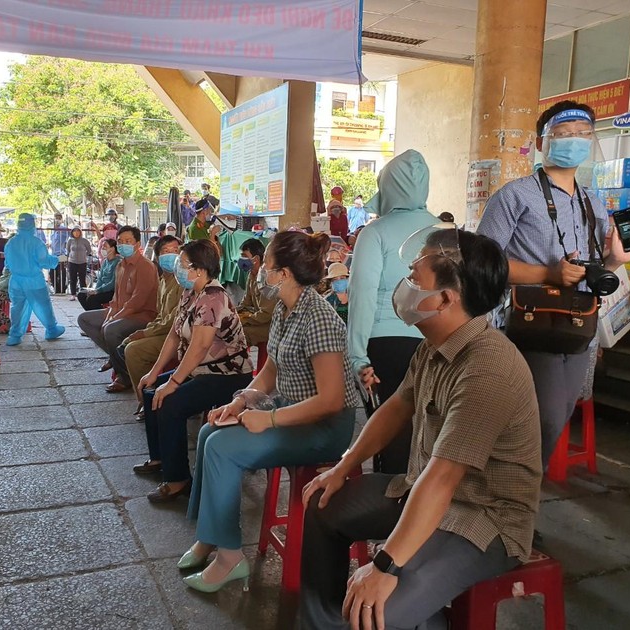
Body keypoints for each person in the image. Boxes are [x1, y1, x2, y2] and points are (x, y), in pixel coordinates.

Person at [299, 228, 542, 630]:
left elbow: (444, 478)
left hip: (483, 519)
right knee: (323, 505)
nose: (405, 285)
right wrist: (343, 467)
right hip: (421, 489)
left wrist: (385, 563)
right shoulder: (432, 345)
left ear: (446, 298)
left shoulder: (488, 367)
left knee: (375, 613)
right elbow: (395, 409)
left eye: (415, 278)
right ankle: (321, 622)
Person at [180, 230, 359, 593]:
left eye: (269, 266)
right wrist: (242, 400)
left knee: (224, 449)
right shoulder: (285, 308)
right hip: (290, 408)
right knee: (209, 432)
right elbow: (271, 371)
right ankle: (209, 536)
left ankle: (230, 557)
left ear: (285, 274)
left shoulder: (319, 317)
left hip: (323, 426)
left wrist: (268, 419)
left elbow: (331, 401)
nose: (262, 271)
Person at [477, 100, 630, 466]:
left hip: (580, 324)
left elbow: (592, 271)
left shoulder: (593, 202)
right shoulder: (514, 195)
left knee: (561, 413)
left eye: (583, 134)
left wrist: (614, 260)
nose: (574, 141)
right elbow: (481, 261)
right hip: (530, 323)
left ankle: (517, 495)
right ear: (541, 142)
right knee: (542, 418)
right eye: (563, 135)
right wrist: (547, 274)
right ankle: (502, 492)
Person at [136, 239, 253, 504]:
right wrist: (155, 373)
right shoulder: (190, 293)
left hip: (226, 374)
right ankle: (160, 458)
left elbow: (200, 345)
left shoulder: (214, 296)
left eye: (182, 264)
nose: (177, 268)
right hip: (201, 368)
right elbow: (175, 336)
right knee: (151, 390)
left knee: (170, 402)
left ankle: (178, 479)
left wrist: (174, 381)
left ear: (199, 270)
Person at [348, 149, 438, 474]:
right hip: (436, 345)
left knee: (390, 439)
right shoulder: (445, 231)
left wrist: (357, 356)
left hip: (384, 347)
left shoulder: (375, 232)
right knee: (429, 437)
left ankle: (390, 514)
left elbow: (362, 297)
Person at [77, 226, 158, 386]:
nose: (123, 245)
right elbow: (115, 299)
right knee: (84, 319)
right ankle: (116, 358)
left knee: (111, 329)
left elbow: (137, 302)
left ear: (136, 244)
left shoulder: (145, 266)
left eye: (128, 241)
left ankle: (124, 375)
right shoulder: (120, 266)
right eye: (120, 241)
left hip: (142, 315)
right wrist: (110, 316)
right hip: (121, 310)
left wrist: (113, 318)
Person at [121, 235, 183, 403]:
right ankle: (148, 393)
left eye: (175, 251)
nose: (171, 255)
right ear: (158, 256)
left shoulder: (183, 281)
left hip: (179, 335)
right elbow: (161, 315)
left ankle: (145, 399)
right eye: (166, 251)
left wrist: (146, 333)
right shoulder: (163, 280)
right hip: (164, 331)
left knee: (134, 350)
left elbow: (174, 319)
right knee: (126, 342)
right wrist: (147, 330)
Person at [3, 213, 66, 345]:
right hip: (34, 281)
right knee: (43, 306)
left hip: (16, 282)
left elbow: (7, 264)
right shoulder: (36, 242)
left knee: (17, 308)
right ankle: (51, 329)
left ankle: (14, 336)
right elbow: (44, 261)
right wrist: (56, 259)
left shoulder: (11, 242)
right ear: (32, 224)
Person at [235, 238, 277, 348]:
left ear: (256, 259)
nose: (241, 259)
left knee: (237, 332)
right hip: (259, 320)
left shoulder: (266, 279)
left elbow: (266, 314)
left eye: (245, 255)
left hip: (271, 324)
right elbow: (246, 302)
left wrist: (244, 320)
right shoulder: (252, 275)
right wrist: (233, 313)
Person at [78, 239, 119, 311]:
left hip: (112, 291)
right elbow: (100, 279)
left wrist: (98, 291)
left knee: (92, 299)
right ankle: (91, 315)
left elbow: (113, 283)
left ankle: (101, 317)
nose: (102, 249)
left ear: (112, 248)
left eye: (105, 247)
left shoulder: (118, 262)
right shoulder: (105, 262)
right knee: (81, 295)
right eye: (102, 247)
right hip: (102, 290)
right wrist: (95, 290)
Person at [66, 226, 93, 301]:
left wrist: (84, 256)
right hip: (72, 262)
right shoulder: (70, 241)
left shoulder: (85, 241)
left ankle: (83, 294)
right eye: (75, 231)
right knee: (72, 278)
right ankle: (73, 294)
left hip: (82, 262)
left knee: (82, 279)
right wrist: (70, 257)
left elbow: (89, 250)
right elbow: (68, 250)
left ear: (80, 232)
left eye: (78, 231)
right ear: (72, 232)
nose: (76, 233)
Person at [49, 212, 69, 293]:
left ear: (61, 219)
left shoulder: (63, 229)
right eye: (56, 218)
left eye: (59, 218)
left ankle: (62, 289)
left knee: (61, 273)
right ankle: (56, 289)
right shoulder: (52, 230)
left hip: (61, 254)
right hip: (53, 255)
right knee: (52, 273)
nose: (57, 220)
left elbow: (68, 237)